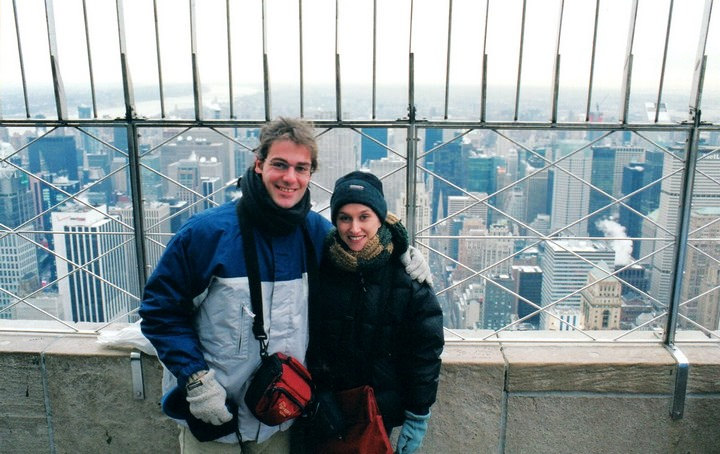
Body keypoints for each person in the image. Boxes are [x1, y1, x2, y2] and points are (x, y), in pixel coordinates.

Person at [138, 117, 432, 453]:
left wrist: (403, 252)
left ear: (310, 174)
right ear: (259, 164)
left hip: (280, 418)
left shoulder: (315, 233)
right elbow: (160, 311)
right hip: (214, 415)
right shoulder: (207, 234)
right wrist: (196, 381)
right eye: (280, 165)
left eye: (301, 168)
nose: (290, 178)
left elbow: (361, 242)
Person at [306, 170, 444, 454]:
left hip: (381, 412)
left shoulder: (406, 276)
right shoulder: (321, 266)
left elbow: (424, 351)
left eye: (364, 217)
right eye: (345, 218)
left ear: (381, 218)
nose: (354, 228)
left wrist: (418, 414)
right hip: (324, 407)